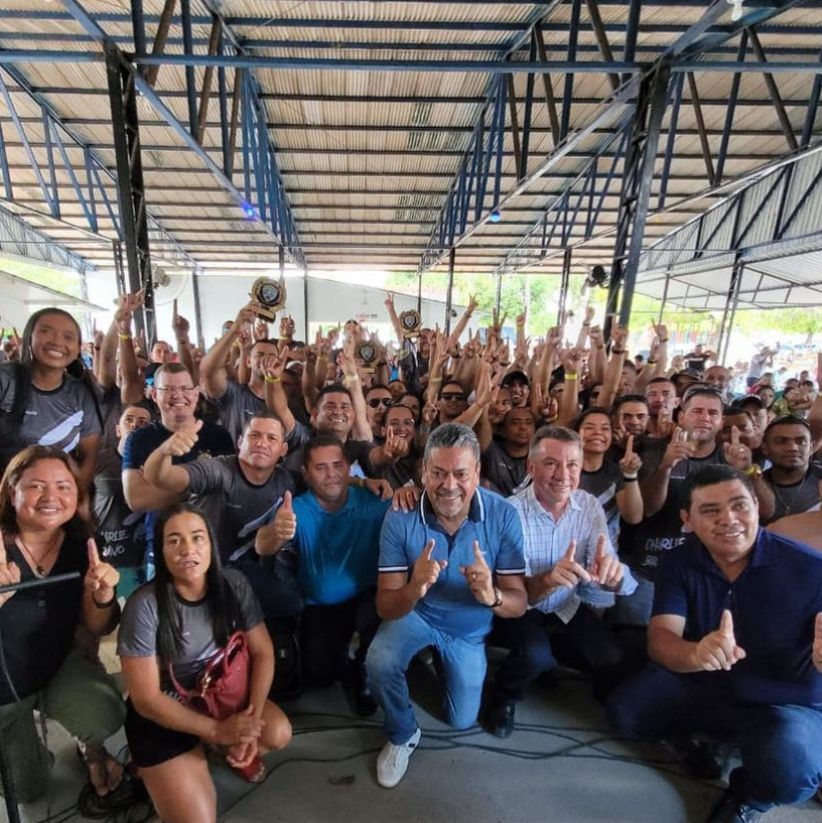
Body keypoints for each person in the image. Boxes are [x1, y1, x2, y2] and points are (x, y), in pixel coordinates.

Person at [607, 465, 822, 822]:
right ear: (687, 519)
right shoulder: (679, 560)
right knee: (627, 714)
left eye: (740, 505)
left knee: (789, 775)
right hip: (708, 681)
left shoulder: (811, 568)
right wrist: (695, 652)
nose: (729, 519)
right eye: (711, 511)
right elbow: (661, 638)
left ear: (756, 505)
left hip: (787, 702)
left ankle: (747, 796)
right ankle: (720, 740)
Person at [366, 424, 527, 788]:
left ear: (477, 475)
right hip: (416, 616)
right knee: (378, 660)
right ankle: (402, 732)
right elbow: (386, 606)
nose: (448, 485)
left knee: (461, 720)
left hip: (468, 631)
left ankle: (433, 659)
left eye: (460, 474)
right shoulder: (400, 516)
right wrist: (415, 587)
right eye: (438, 473)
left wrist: (492, 597)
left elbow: (518, 604)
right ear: (423, 473)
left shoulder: (504, 516)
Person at [118, 504, 292, 820]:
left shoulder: (234, 584)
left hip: (222, 697)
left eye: (197, 538)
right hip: (166, 714)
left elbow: (264, 652)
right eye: (174, 540)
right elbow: (146, 700)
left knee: (277, 732)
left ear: (211, 543)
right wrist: (217, 731)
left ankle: (207, 752)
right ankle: (177, 761)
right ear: (161, 550)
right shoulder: (144, 606)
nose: (187, 549)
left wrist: (250, 721)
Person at [485, 426, 639, 738]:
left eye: (572, 465)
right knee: (534, 654)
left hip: (566, 604)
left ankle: (554, 670)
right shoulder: (509, 512)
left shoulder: (589, 505)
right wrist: (548, 579)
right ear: (531, 467)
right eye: (551, 463)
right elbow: (511, 592)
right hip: (520, 608)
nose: (563, 474)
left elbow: (606, 572)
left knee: (611, 656)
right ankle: (504, 697)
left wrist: (613, 576)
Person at [0, 446, 124, 802]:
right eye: (37, 486)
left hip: (55, 666)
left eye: (63, 486)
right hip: (4, 690)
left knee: (103, 713)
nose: (51, 497)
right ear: (13, 491)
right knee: (27, 790)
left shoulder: (82, 544)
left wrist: (102, 595)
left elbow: (97, 626)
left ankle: (89, 747)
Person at [261, 435, 391, 715]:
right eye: (321, 468)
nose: (331, 474)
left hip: (368, 595)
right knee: (320, 675)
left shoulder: (374, 501)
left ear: (349, 468)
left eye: (338, 465)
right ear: (306, 475)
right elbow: (264, 546)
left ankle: (364, 667)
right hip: (320, 605)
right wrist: (276, 532)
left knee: (379, 617)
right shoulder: (294, 510)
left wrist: (405, 493)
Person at [0, 308, 102, 487]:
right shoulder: (6, 380)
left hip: (54, 498)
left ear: (78, 348)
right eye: (46, 331)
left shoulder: (81, 395)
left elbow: (89, 457)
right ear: (29, 338)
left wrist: (76, 496)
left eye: (68, 337)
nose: (57, 342)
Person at [93, 403, 153, 597]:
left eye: (143, 423)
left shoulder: (157, 466)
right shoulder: (98, 461)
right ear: (118, 429)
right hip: (104, 556)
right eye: (129, 420)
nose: (135, 425)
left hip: (142, 558)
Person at [761, 416, 821, 521]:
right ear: (765, 448)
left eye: (801, 442)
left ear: (811, 448)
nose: (792, 448)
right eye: (782, 441)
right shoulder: (756, 483)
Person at [480, 407, 536, 497]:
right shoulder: (492, 451)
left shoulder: (541, 455)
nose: (523, 427)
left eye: (528, 423)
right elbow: (483, 421)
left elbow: (564, 419)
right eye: (515, 423)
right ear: (503, 430)